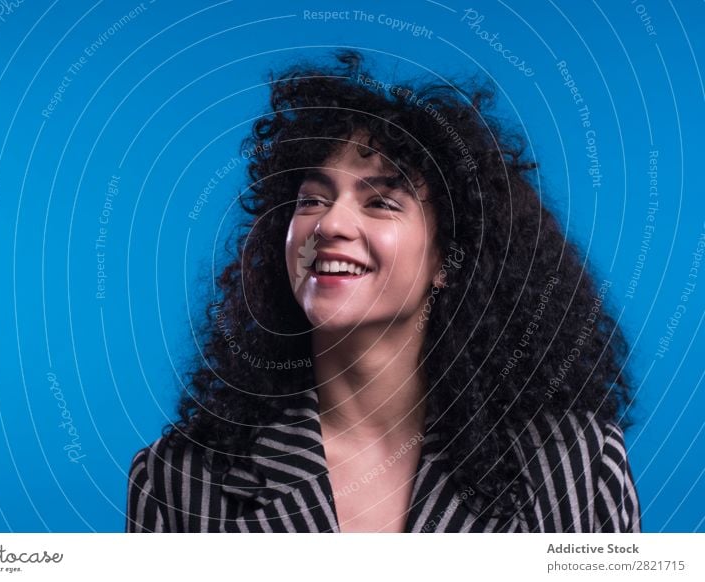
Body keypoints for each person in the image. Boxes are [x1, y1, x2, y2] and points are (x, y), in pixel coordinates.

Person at [125, 50, 641, 533]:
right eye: (312, 200)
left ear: (448, 261)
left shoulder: (576, 466)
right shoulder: (179, 480)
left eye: (380, 203)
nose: (330, 224)